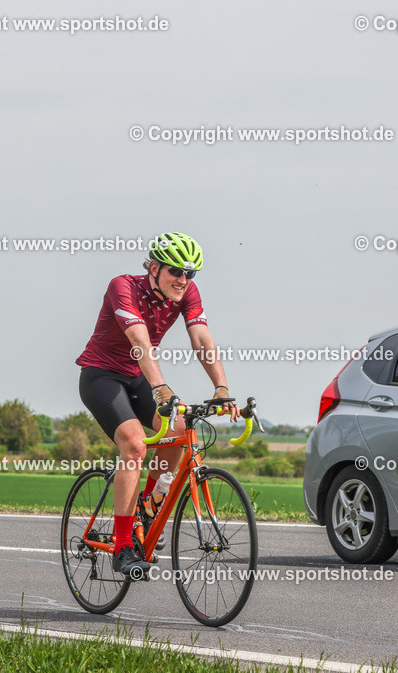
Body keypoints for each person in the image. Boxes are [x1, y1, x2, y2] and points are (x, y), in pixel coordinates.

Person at [76, 232, 238, 577]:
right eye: (176, 271)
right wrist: (161, 387)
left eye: (189, 274)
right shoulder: (123, 287)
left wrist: (221, 387)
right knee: (134, 445)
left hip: (138, 377)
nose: (183, 280)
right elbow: (138, 340)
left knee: (181, 429)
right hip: (102, 376)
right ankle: (122, 546)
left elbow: (202, 338)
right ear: (153, 267)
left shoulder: (186, 292)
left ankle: (149, 505)